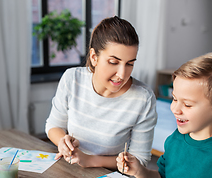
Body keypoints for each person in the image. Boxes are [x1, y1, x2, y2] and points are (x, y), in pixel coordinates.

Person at [45, 16, 157, 169]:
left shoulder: (143, 98)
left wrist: (91, 160)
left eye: (130, 64)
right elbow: (53, 125)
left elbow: (139, 160)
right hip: (72, 169)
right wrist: (62, 142)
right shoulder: (72, 79)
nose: (122, 74)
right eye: (113, 62)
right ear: (94, 57)